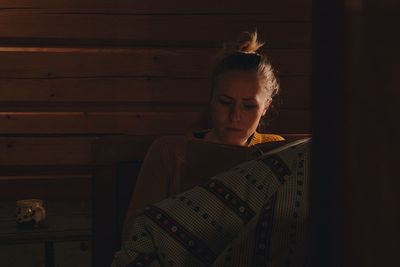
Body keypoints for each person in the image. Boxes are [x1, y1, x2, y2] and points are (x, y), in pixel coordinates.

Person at [122, 31, 285, 241]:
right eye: (225, 102)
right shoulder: (170, 152)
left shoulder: (277, 150)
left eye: (249, 106)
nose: (235, 116)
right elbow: (133, 232)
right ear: (211, 99)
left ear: (265, 107)